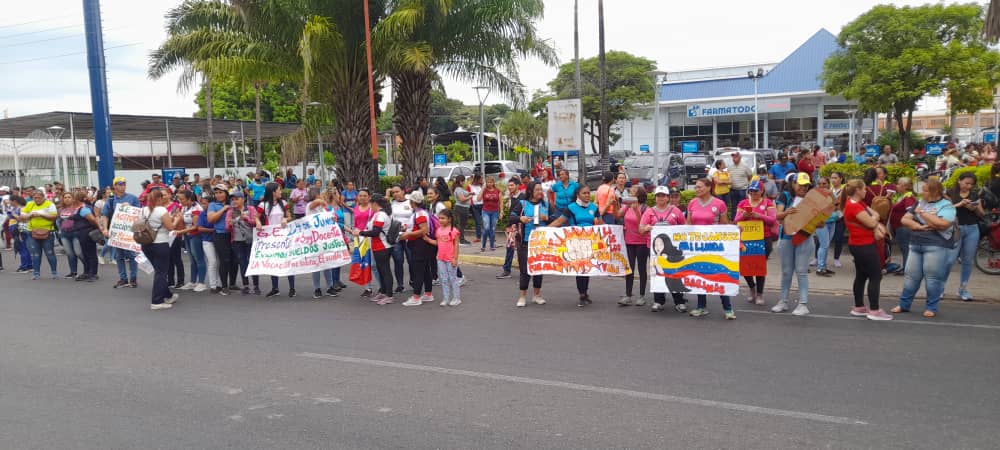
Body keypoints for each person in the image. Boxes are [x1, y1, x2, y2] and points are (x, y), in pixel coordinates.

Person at [891, 179, 958, 318]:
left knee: (933, 278)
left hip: (936, 245)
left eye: (925, 190)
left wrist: (922, 214)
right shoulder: (920, 202)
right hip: (916, 243)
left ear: (935, 192)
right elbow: (905, 219)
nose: (922, 193)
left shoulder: (947, 205)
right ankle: (904, 304)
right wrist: (919, 226)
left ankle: (931, 307)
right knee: (911, 276)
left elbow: (943, 224)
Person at [837, 179, 892, 320]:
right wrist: (874, 217)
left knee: (861, 275)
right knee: (875, 276)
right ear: (857, 190)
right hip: (864, 244)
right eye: (864, 189)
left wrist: (873, 216)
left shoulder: (855, 203)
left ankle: (859, 307)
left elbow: (874, 215)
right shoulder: (855, 206)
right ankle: (874, 310)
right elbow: (873, 221)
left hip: (858, 244)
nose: (866, 191)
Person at [686, 178, 734, 319]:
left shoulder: (719, 204)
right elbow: (688, 224)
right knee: (700, 275)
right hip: (697, 247)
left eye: (700, 187)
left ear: (708, 187)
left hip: (714, 246)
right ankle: (701, 307)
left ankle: (728, 309)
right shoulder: (692, 203)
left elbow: (724, 226)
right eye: (696, 187)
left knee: (719, 275)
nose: (697, 189)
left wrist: (735, 229)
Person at [550, 184, 600, 307]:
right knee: (580, 269)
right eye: (584, 193)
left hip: (590, 242)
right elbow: (559, 221)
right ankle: (582, 294)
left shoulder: (594, 207)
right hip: (576, 243)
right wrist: (544, 229)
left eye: (589, 193)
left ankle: (585, 292)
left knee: (587, 268)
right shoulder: (571, 208)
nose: (587, 195)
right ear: (578, 195)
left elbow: (601, 224)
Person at [773, 172, 816, 316]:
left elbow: (821, 223)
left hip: (805, 237)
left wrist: (817, 218)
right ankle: (783, 301)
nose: (803, 188)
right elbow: (777, 216)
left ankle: (803, 304)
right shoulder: (784, 195)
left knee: (801, 271)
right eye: (800, 184)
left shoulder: (813, 199)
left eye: (806, 185)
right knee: (786, 271)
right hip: (786, 237)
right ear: (793, 183)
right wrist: (787, 212)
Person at [644, 185, 689, 312]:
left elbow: (684, 228)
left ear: (668, 197)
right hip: (655, 250)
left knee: (674, 274)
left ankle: (679, 301)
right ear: (655, 197)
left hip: (671, 250)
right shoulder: (649, 211)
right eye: (658, 195)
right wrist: (647, 228)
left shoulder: (675, 211)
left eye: (663, 195)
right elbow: (641, 228)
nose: (660, 198)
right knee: (657, 273)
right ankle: (658, 301)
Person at [734, 179, 777, 305]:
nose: (753, 193)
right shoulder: (743, 203)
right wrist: (744, 216)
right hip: (746, 238)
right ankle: (752, 288)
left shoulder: (768, 203)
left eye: (756, 191)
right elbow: (736, 220)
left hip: (764, 238)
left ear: (762, 191)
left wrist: (760, 216)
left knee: (759, 266)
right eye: (751, 190)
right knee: (745, 266)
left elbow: (772, 220)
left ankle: (760, 294)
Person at [511, 181, 550, 307]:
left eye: (541, 190)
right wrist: (520, 219)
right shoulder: (522, 204)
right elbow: (511, 217)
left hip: (541, 242)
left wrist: (547, 218)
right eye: (537, 190)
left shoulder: (546, 204)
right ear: (531, 191)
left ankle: (537, 295)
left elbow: (557, 217)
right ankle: (522, 297)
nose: (540, 192)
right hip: (525, 242)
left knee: (538, 269)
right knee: (525, 270)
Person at [140, 189, 180, 310]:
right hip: (160, 243)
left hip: (146, 244)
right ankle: (156, 301)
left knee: (159, 271)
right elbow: (170, 227)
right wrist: (177, 219)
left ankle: (168, 295)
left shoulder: (143, 210)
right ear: (159, 198)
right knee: (161, 272)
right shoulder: (162, 210)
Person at [948, 172, 984, 301]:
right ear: (959, 181)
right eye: (966, 183)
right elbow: (944, 210)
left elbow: (981, 214)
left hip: (972, 228)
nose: (968, 186)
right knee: (949, 260)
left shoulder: (975, 195)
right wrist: (960, 204)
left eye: (971, 184)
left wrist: (974, 208)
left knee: (967, 260)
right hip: (955, 228)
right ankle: (939, 288)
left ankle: (963, 289)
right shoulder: (950, 193)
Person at [354, 195, 394, 304]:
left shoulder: (380, 215)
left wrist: (361, 233)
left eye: (371, 204)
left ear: (375, 203)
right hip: (378, 246)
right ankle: (384, 292)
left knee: (385, 271)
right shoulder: (379, 214)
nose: (370, 206)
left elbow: (375, 232)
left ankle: (389, 295)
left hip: (382, 246)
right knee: (381, 270)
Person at [102, 177, 141, 288]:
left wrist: (130, 208)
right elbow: (104, 215)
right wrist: (105, 229)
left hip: (130, 232)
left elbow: (139, 213)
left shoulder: (132, 198)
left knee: (132, 255)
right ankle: (123, 278)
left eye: (124, 183)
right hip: (117, 231)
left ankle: (133, 278)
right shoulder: (110, 200)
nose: (122, 186)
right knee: (119, 256)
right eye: (119, 184)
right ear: (114, 186)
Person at [258, 182, 295, 298]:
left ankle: (292, 288)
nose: (281, 192)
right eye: (279, 190)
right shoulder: (262, 205)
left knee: (288, 261)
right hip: (271, 238)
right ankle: (275, 288)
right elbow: (256, 217)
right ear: (273, 192)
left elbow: (289, 216)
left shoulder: (283, 203)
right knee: (273, 262)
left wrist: (285, 219)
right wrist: (258, 222)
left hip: (284, 236)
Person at [399, 191, 435, 305]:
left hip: (419, 245)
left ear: (413, 202)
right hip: (422, 244)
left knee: (418, 270)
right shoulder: (421, 213)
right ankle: (428, 294)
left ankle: (416, 297)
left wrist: (407, 235)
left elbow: (424, 230)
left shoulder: (419, 214)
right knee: (424, 270)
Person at [618, 186, 649, 307]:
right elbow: (617, 215)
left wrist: (636, 211)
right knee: (629, 268)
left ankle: (642, 296)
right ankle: (628, 295)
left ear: (639, 195)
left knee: (641, 269)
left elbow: (643, 224)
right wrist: (615, 203)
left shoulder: (645, 208)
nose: (630, 192)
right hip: (629, 241)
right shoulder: (627, 206)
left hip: (641, 242)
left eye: (633, 191)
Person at [427, 208, 462, 307]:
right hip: (440, 258)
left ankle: (456, 298)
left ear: (449, 219)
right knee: (444, 279)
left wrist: (455, 258)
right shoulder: (438, 230)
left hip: (450, 258)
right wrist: (427, 239)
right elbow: (437, 243)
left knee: (452, 279)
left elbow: (456, 246)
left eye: (443, 218)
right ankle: (446, 298)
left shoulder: (454, 231)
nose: (440, 220)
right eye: (439, 218)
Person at [21, 190, 59, 280]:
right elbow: (22, 216)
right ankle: (36, 273)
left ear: (43, 197)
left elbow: (54, 216)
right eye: (35, 198)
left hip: (48, 232)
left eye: (39, 198)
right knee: (35, 254)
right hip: (32, 232)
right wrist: (30, 215)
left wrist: (41, 214)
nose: (37, 199)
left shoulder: (50, 204)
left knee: (49, 253)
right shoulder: (29, 204)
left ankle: (54, 272)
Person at [174, 191, 207, 292]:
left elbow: (196, 226)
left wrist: (181, 231)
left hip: (196, 236)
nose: (180, 201)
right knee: (192, 259)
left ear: (189, 199)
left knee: (199, 258)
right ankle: (193, 282)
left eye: (182, 199)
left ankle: (201, 282)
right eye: (179, 199)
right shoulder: (184, 207)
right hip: (187, 236)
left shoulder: (197, 209)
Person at [206, 185, 236, 295]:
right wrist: (223, 209)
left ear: (226, 193)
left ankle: (232, 284)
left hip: (233, 234)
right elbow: (210, 219)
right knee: (225, 260)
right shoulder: (213, 205)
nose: (218, 195)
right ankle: (223, 286)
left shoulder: (232, 203)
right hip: (219, 235)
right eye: (216, 193)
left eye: (221, 192)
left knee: (234, 260)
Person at [68, 191, 102, 282]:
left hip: (86, 232)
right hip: (81, 233)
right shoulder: (78, 208)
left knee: (91, 253)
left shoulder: (84, 209)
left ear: (77, 199)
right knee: (85, 253)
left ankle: (93, 273)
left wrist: (98, 228)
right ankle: (87, 272)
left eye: (73, 198)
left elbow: (92, 219)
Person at [387, 185, 413, 293]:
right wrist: (388, 195)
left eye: (397, 191)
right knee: (398, 261)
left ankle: (414, 280)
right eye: (393, 192)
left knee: (412, 260)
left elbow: (415, 216)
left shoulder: (410, 202)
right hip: (396, 236)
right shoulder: (391, 204)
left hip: (409, 235)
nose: (395, 194)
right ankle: (400, 284)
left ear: (403, 191)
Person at [889, 177, 917, 274]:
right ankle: (906, 266)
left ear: (904, 186)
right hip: (899, 227)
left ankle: (907, 268)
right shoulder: (903, 196)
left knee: (905, 248)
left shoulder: (908, 197)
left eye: (898, 184)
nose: (896, 186)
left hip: (903, 227)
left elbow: (911, 210)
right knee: (904, 248)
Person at [496, 178, 523, 279]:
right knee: (510, 248)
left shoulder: (522, 197)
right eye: (509, 185)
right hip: (512, 227)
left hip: (520, 227)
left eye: (512, 185)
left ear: (517, 186)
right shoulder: (512, 197)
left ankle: (524, 271)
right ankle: (506, 270)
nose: (509, 187)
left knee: (521, 249)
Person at [353, 188, 376, 297]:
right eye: (360, 195)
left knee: (373, 264)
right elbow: (356, 224)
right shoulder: (356, 209)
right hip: (359, 239)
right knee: (363, 263)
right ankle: (368, 288)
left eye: (365, 195)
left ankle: (382, 287)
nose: (362, 197)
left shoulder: (372, 209)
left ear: (369, 197)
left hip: (370, 238)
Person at [813, 177, 837, 276]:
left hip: (832, 222)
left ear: (828, 184)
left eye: (824, 183)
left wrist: (831, 194)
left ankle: (823, 267)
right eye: (820, 184)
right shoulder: (815, 196)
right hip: (821, 223)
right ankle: (820, 268)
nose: (822, 186)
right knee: (824, 245)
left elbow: (837, 205)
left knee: (826, 246)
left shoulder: (832, 194)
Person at [195, 195, 219, 292]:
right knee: (212, 261)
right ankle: (213, 285)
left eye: (205, 203)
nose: (203, 205)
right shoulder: (203, 214)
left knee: (218, 262)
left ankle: (219, 283)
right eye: (202, 203)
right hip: (207, 240)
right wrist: (212, 230)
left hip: (217, 240)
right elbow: (199, 228)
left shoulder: (217, 213)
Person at [56, 192, 83, 279]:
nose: (67, 199)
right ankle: (73, 272)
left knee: (78, 252)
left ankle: (88, 268)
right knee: (70, 253)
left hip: (75, 233)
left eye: (69, 197)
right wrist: (60, 230)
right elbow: (58, 221)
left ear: (73, 198)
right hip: (64, 234)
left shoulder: (77, 208)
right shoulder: (60, 209)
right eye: (65, 197)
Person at [829, 172, 848, 269]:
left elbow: (843, 204)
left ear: (841, 179)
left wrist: (841, 213)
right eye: (832, 178)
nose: (833, 180)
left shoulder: (845, 190)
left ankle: (836, 258)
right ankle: (817, 257)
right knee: (822, 239)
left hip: (840, 217)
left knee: (838, 238)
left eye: (835, 178)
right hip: (829, 217)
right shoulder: (829, 189)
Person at [478, 176, 502, 252]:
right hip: (485, 211)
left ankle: (492, 245)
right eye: (488, 182)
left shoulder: (498, 191)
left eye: (491, 182)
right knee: (487, 228)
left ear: (493, 182)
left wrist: (501, 211)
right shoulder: (484, 190)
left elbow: (501, 202)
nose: (489, 184)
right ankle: (483, 245)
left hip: (495, 212)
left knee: (493, 229)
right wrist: (482, 188)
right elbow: (478, 199)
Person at [451, 175, 472, 245]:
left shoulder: (460, 189)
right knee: (461, 225)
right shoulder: (458, 189)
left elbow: (464, 195)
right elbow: (462, 199)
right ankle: (461, 240)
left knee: (461, 225)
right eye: (463, 181)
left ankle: (460, 239)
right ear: (460, 181)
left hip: (463, 208)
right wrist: (470, 197)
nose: (464, 182)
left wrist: (469, 193)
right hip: (461, 208)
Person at [468, 174, 485, 244]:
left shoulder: (482, 186)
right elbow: (469, 195)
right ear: (477, 179)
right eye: (481, 178)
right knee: (478, 222)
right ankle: (478, 237)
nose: (482, 180)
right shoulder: (470, 186)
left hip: (482, 205)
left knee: (484, 221)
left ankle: (487, 235)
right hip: (474, 205)